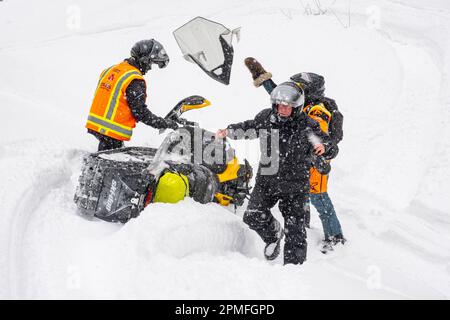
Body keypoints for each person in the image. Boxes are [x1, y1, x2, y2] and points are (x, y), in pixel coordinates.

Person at [216, 82, 338, 265]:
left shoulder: (307, 126)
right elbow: (249, 127)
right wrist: (229, 131)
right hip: (267, 181)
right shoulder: (267, 118)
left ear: (296, 107)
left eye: (287, 106)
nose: (282, 109)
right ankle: (274, 235)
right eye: (279, 105)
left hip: (296, 186)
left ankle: (294, 269)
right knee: (252, 215)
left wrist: (324, 147)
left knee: (295, 231)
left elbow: (329, 146)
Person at [244, 57, 345, 252]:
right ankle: (304, 224)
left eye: (300, 89)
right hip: (302, 161)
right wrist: (263, 78)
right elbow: (283, 96)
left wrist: (317, 156)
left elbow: (318, 138)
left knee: (319, 196)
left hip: (316, 161)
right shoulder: (303, 104)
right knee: (304, 195)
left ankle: (335, 236)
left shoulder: (318, 111)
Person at [86, 39, 179, 151]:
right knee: (112, 163)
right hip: (111, 130)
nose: (149, 68)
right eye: (151, 63)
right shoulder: (134, 79)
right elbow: (140, 112)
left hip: (97, 125)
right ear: (144, 60)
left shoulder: (113, 70)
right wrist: (163, 123)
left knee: (104, 156)